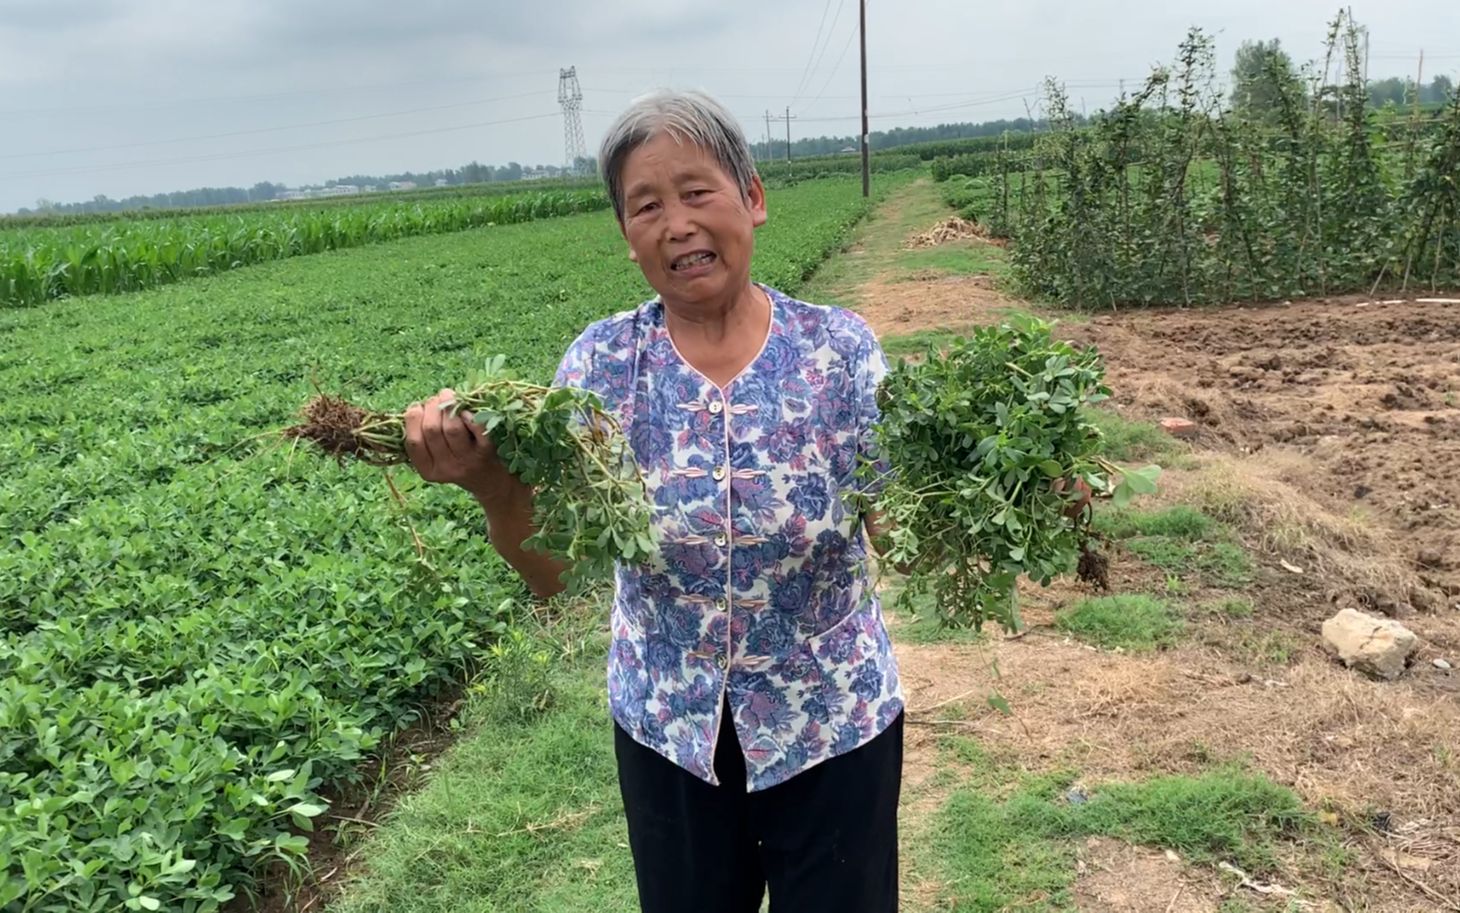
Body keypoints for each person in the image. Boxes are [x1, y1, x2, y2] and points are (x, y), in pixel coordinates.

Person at [402, 89, 903, 913]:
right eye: (647, 205)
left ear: (754, 198)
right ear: (627, 236)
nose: (677, 224)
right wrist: (489, 482)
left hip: (834, 723)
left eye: (698, 191)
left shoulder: (839, 352)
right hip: (672, 731)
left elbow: (899, 532)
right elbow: (556, 573)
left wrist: (1018, 490)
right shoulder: (599, 369)